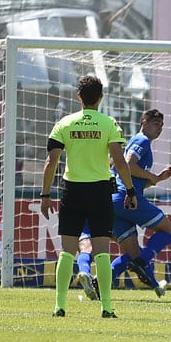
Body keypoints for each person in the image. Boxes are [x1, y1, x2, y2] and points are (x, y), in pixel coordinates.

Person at [40, 75, 135, 318]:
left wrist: (45, 194)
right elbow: (120, 161)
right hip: (100, 190)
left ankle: (59, 306)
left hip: (72, 190)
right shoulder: (109, 123)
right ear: (101, 98)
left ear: (79, 97)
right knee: (102, 250)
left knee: (67, 250)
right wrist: (130, 189)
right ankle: (107, 308)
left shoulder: (65, 123)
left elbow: (51, 162)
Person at [108, 109, 171, 298]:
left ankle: (100, 283)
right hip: (127, 198)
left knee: (132, 251)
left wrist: (158, 179)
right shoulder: (142, 140)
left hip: (115, 200)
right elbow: (129, 165)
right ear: (143, 122)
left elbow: (126, 172)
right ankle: (142, 262)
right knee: (168, 230)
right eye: (155, 124)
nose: (159, 128)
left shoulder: (136, 142)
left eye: (162, 125)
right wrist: (153, 176)